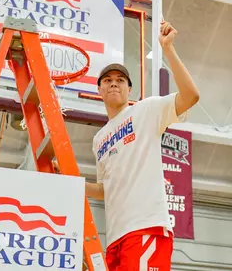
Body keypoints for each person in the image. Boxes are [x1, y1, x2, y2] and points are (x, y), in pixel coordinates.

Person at [86, 20, 200, 271]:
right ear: (99, 90)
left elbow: (191, 96)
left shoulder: (146, 110)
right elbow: (106, 188)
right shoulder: (99, 139)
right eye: (107, 80)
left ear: (129, 88)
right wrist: (74, 185)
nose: (113, 83)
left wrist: (168, 48)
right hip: (115, 238)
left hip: (145, 227)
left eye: (119, 79)